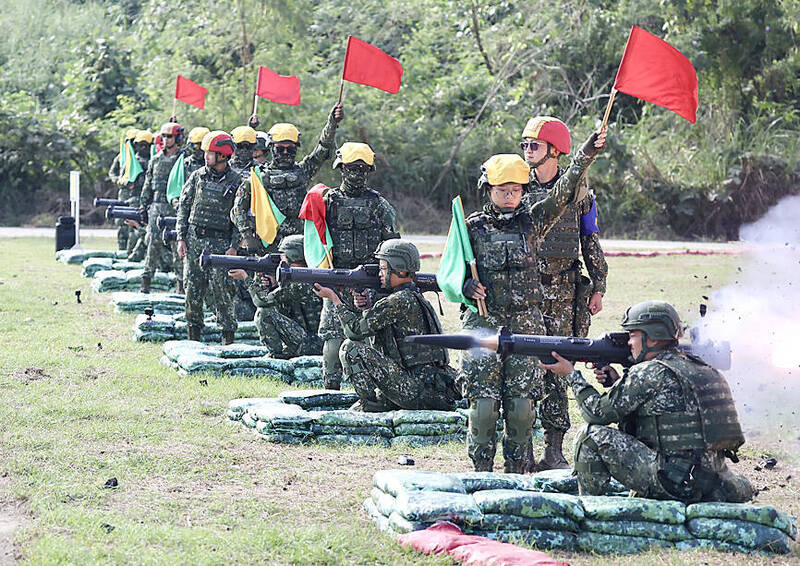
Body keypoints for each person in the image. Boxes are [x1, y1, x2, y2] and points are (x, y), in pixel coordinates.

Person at [460, 132, 606, 473]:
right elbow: (449, 275)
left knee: (522, 408)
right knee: (482, 407)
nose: (510, 196)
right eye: (502, 190)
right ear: (488, 191)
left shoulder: (535, 222)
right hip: (484, 325)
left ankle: (517, 471)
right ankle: (481, 471)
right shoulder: (470, 228)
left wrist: (585, 155)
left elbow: (564, 190)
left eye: (516, 190)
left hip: (527, 327)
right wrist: (467, 287)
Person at [540, 300, 754, 503]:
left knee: (591, 436)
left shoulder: (648, 372)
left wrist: (571, 375)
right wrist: (619, 383)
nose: (629, 343)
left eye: (633, 335)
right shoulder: (705, 368)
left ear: (653, 337)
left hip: (675, 483)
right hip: (713, 482)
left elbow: (596, 413)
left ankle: (591, 511)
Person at [521, 116, 610, 471]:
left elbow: (590, 240)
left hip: (564, 289)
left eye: (535, 145)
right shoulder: (515, 187)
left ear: (555, 152)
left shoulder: (581, 193)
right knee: (525, 367)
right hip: (526, 290)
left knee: (557, 364)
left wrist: (598, 285)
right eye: (525, 145)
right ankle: (522, 450)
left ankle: (553, 449)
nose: (527, 151)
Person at [313, 239, 459, 411]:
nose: (380, 274)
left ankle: (371, 405)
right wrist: (367, 308)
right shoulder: (414, 297)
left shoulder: (398, 301)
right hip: (434, 389)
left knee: (350, 348)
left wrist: (334, 299)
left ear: (400, 270)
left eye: (383, 268)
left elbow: (354, 332)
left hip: (415, 392)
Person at [317, 142, 400, 390]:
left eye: (362, 170)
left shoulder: (379, 205)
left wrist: (385, 281)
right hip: (337, 278)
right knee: (333, 336)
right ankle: (330, 389)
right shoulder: (327, 201)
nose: (356, 175)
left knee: (369, 336)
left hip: (370, 281)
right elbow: (316, 239)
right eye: (351, 169)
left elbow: (392, 245)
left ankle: (367, 391)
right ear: (341, 169)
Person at [231, 103, 344, 257]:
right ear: (271, 148)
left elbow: (322, 149)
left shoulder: (303, 171)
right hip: (267, 247)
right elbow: (237, 210)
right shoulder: (257, 177)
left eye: (290, 149)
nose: (285, 153)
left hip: (298, 247)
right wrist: (248, 236)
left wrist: (332, 123)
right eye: (280, 149)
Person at [176, 131, 241, 344]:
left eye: (210, 153)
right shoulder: (197, 177)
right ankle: (193, 336)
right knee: (192, 289)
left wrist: (234, 246)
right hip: (195, 241)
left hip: (221, 245)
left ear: (223, 155)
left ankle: (227, 339)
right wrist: (181, 237)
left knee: (223, 292)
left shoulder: (238, 182)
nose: (206, 156)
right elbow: (184, 207)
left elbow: (240, 218)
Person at [229, 235, 322, 358]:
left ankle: (277, 355)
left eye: (283, 258)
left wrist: (246, 278)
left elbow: (262, 301)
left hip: (311, 343)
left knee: (263, 313)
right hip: (310, 339)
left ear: (293, 257)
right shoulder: (308, 276)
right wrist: (273, 285)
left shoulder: (300, 283)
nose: (281, 263)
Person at [139, 122, 184, 292]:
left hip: (175, 208)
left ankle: (181, 284)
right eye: (163, 136)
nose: (165, 140)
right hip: (157, 207)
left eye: (169, 136)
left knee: (177, 246)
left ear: (177, 138)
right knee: (152, 243)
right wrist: (143, 206)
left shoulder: (183, 160)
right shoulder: (156, 159)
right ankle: (146, 281)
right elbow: (148, 184)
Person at [119, 130, 153, 258]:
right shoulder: (132, 161)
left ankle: (141, 256)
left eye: (146, 145)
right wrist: (128, 183)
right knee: (133, 229)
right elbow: (122, 179)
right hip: (134, 199)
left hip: (149, 201)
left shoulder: (154, 160)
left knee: (147, 229)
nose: (143, 148)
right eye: (141, 145)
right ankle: (132, 254)